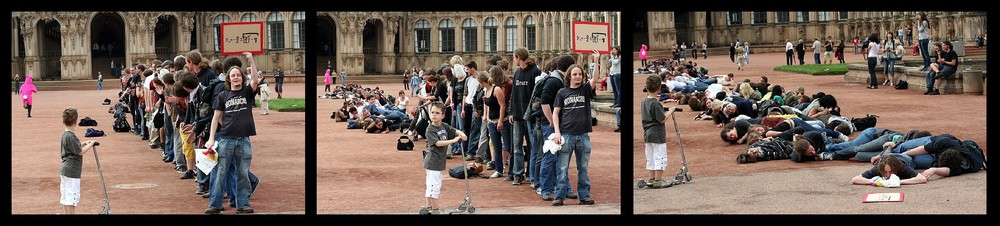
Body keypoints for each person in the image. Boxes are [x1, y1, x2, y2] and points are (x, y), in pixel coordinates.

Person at [204, 51, 261, 214]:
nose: (236, 77)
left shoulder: (247, 93)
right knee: (221, 172)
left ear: (243, 78)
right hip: (226, 139)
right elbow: (216, 118)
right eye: (233, 75)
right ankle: (214, 204)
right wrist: (210, 139)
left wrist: (251, 61)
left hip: (243, 140)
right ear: (228, 79)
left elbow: (256, 80)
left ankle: (242, 204)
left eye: (238, 75)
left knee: (242, 173)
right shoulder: (223, 95)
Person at [551, 50, 602, 206]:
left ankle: (584, 195)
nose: (577, 76)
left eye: (579, 74)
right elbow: (555, 113)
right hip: (566, 135)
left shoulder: (585, 90)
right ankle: (559, 196)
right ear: (569, 76)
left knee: (583, 168)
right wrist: (557, 132)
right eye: (574, 74)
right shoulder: (562, 92)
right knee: (562, 167)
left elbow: (595, 79)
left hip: (583, 135)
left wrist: (596, 61)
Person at [418, 102, 467, 215]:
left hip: (439, 162)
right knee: (434, 186)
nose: (434, 115)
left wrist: (461, 134)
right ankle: (435, 210)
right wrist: (453, 141)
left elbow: (453, 130)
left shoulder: (443, 126)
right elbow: (438, 143)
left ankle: (428, 208)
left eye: (437, 113)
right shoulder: (430, 129)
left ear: (443, 116)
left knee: (432, 185)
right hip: (433, 162)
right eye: (432, 112)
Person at [58, 108, 98, 214]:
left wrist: (84, 142)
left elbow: (75, 147)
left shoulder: (65, 135)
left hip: (65, 169)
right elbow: (79, 151)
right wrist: (91, 144)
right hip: (72, 170)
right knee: (71, 198)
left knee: (66, 196)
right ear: (75, 122)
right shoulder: (71, 136)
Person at [641, 74, 669, 186]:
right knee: (660, 155)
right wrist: (670, 111)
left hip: (647, 133)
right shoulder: (656, 103)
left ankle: (652, 178)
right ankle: (658, 180)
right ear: (658, 88)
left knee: (650, 156)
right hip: (657, 133)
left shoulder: (644, 101)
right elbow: (662, 119)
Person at [851, 154, 927, 187]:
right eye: (885, 172)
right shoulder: (878, 168)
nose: (888, 175)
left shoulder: (903, 167)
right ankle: (887, 148)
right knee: (859, 155)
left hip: (905, 157)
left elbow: (922, 179)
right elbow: (855, 179)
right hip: (887, 155)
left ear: (896, 169)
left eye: (891, 172)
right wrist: (877, 182)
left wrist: (899, 182)